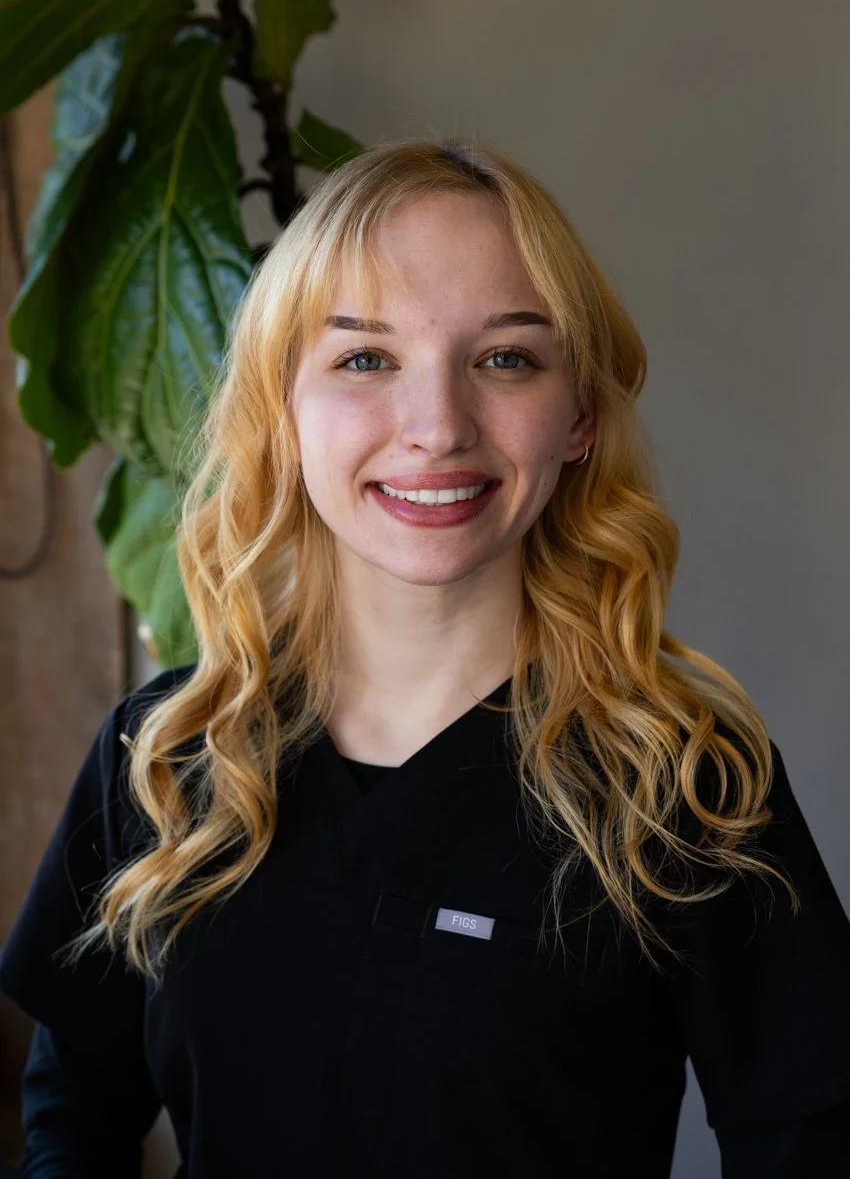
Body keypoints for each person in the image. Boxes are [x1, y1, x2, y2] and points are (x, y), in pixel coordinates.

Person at [2, 138, 849, 1179]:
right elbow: (71, 1113)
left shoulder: (682, 772)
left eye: (506, 358)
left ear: (578, 414)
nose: (437, 426)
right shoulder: (165, 753)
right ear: (284, 407)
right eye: (364, 358)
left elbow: (810, 1138)